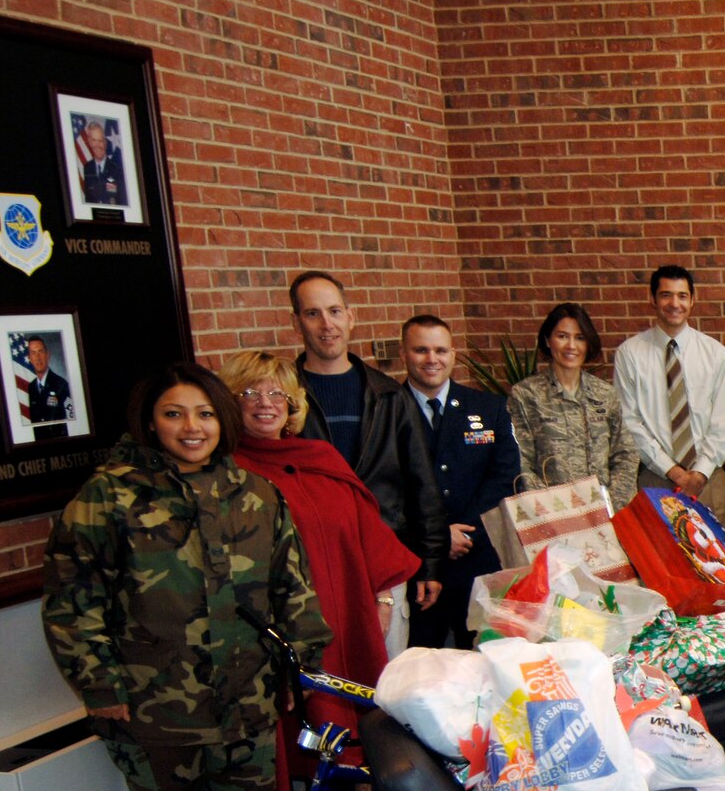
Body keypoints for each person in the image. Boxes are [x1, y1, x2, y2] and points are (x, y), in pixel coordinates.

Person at [41, 362, 330, 791]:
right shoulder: (108, 497)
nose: (191, 427)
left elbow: (293, 589)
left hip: (247, 697)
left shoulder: (254, 494)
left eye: (203, 414)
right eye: (175, 414)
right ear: (152, 421)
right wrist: (102, 687)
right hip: (154, 705)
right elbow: (72, 603)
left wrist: (297, 671)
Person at [221, 351, 419, 764]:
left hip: (348, 616)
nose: (265, 403)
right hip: (286, 629)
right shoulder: (228, 473)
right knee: (303, 743)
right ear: (229, 403)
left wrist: (383, 599)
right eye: (250, 392)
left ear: (293, 404)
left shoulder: (320, 459)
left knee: (361, 739)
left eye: (277, 392)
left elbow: (370, 535)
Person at [287, 270, 446, 614]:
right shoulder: (284, 398)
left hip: (384, 556)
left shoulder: (388, 395)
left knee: (387, 665)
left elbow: (421, 482)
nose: (326, 324)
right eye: (313, 314)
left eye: (334, 311)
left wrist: (430, 560)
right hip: (311, 561)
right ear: (296, 322)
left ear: (351, 317)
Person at [397, 317, 518, 648]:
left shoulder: (489, 407)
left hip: (477, 558)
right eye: (421, 350)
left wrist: (465, 531)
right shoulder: (387, 408)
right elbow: (385, 488)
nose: (431, 359)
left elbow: (504, 476)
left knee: (482, 658)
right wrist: (436, 537)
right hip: (418, 563)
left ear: (453, 354)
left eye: (440, 349)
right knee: (422, 664)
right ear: (404, 353)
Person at [613, 268, 725, 534]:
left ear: (693, 300)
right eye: (666, 295)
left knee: (720, 569)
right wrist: (674, 471)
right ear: (653, 299)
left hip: (708, 480)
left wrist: (700, 471)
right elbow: (630, 422)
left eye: (682, 296)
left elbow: (723, 422)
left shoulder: (716, 354)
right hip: (655, 477)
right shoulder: (630, 354)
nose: (675, 304)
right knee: (658, 567)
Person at [508, 302, 642, 514]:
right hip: (554, 519)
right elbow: (520, 463)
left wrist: (612, 506)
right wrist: (557, 512)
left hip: (607, 515)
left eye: (580, 338)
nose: (571, 346)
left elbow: (625, 454)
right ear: (547, 340)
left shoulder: (604, 394)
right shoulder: (526, 395)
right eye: (562, 336)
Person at [19, 336, 73, 441]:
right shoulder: (31, 387)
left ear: (47, 355)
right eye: (33, 353)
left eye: (41, 351)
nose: (38, 357)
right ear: (29, 358)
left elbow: (72, 420)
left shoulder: (61, 385)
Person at [78, 120, 127, 205]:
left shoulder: (117, 170)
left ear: (105, 142)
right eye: (94, 140)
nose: (98, 145)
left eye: (100, 140)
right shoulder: (87, 168)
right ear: (89, 142)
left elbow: (122, 201)